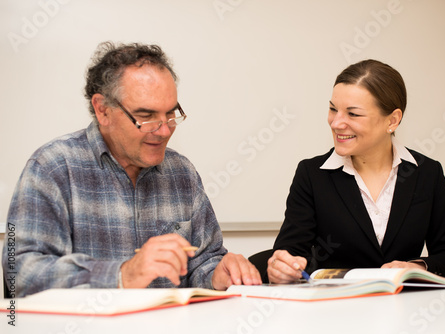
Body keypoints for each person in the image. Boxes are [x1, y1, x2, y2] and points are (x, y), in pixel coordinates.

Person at [2, 42, 261, 297]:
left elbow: (203, 261)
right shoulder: (53, 168)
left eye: (170, 114)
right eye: (146, 116)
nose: (163, 130)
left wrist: (218, 275)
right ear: (102, 110)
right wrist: (122, 276)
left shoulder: (182, 173)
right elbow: (21, 273)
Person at [267, 59, 445, 284]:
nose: (336, 123)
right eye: (333, 109)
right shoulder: (312, 174)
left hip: (407, 309)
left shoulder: (427, 173)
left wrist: (416, 267)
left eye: (353, 114)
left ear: (392, 120)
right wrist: (282, 267)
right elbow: (291, 253)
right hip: (336, 309)